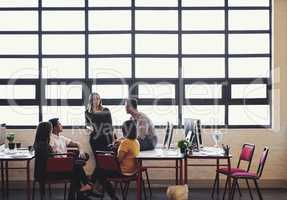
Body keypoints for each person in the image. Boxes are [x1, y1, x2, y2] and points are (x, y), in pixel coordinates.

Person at [33, 122, 92, 195]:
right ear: (46, 132)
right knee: (77, 170)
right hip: (49, 173)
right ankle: (84, 189)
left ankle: (84, 190)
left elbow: (52, 161)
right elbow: (52, 162)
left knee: (77, 167)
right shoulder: (45, 146)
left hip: (47, 171)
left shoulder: (40, 144)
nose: (50, 132)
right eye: (50, 130)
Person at [92, 120, 140, 200]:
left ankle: (110, 195)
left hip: (123, 171)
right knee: (101, 170)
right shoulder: (136, 141)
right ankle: (93, 187)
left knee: (100, 169)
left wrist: (109, 156)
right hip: (133, 170)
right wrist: (120, 143)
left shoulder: (125, 143)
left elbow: (118, 160)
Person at [48, 118, 92, 192]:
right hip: (58, 166)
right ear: (55, 128)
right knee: (78, 166)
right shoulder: (50, 139)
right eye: (59, 124)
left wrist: (80, 150)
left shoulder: (62, 138)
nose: (62, 125)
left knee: (84, 157)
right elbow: (52, 155)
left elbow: (77, 143)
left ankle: (84, 187)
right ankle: (86, 185)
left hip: (67, 165)